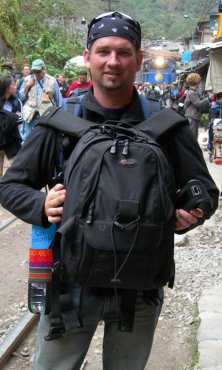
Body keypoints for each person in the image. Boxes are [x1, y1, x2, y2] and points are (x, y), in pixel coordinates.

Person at [0, 12, 219, 370]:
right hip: (70, 285)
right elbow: (10, 186)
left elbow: (205, 192)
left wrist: (187, 215)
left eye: (123, 52)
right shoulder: (59, 122)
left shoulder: (166, 126)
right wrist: (42, 204)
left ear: (139, 59)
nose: (112, 61)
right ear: (88, 57)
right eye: (103, 51)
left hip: (141, 285)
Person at [19, 58, 63, 141]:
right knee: (27, 139)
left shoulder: (52, 81)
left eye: (38, 71)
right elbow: (21, 97)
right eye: (34, 71)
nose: (36, 74)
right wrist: (27, 86)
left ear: (43, 68)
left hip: (45, 116)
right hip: (30, 115)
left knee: (44, 139)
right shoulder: (28, 79)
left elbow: (58, 101)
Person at [0, 75, 23, 176]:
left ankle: (5, 189)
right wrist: (12, 116)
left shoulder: (16, 102)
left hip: (11, 140)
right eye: (13, 85)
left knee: (8, 168)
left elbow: (20, 119)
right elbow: (15, 118)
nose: (16, 87)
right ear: (7, 88)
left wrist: (7, 117)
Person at [184, 73, 210, 139]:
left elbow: (201, 99)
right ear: (196, 81)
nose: (200, 82)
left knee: (194, 135)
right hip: (191, 116)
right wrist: (208, 99)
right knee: (193, 136)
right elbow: (198, 103)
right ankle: (191, 149)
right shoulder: (191, 93)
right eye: (199, 80)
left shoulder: (195, 91)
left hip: (193, 116)